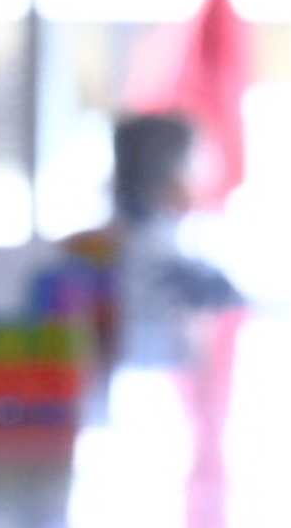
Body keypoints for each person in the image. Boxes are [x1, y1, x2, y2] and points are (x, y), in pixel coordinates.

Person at [74, 109, 241, 362]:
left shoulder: (106, 242)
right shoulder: (164, 259)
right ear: (173, 179)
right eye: (197, 167)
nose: (207, 178)